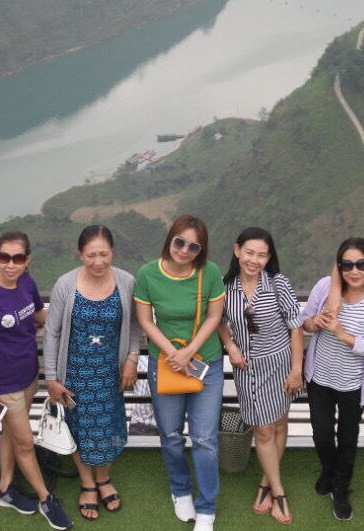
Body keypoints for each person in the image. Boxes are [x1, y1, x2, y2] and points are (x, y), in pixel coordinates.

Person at [0, 232, 73, 529]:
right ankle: (46, 499)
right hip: (4, 385)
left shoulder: (26, 282)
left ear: (27, 260)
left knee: (12, 436)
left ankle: (4, 488)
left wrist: (69, 319)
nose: (10, 264)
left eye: (17, 258)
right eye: (4, 257)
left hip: (29, 375)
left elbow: (38, 315)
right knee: (26, 443)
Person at [134, 214, 226, 531]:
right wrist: (174, 354)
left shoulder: (209, 272)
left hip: (206, 362)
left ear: (202, 250)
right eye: (180, 242)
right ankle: (180, 489)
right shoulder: (148, 273)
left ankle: (207, 508)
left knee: (204, 438)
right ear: (170, 238)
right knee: (171, 435)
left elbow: (215, 317)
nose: (184, 250)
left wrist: (189, 351)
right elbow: (146, 321)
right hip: (167, 364)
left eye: (193, 246)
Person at [44, 225, 142, 521]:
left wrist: (132, 359)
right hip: (75, 373)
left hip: (111, 373)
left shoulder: (126, 281)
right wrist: (51, 378)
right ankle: (87, 483)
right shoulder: (66, 283)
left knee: (109, 426)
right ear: (80, 254)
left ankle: (103, 478)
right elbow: (53, 332)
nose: (98, 261)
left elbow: (135, 325)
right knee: (79, 428)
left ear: (113, 252)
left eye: (104, 254)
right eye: (91, 255)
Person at [300, 237, 364, 521]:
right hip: (320, 378)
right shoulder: (325, 288)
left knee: (348, 438)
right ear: (338, 266)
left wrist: (343, 335)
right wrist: (315, 323)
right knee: (322, 434)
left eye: (362, 264)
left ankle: (341, 488)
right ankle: (328, 469)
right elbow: (304, 321)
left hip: (354, 384)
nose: (355, 271)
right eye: (347, 265)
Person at [216, 227, 304, 525]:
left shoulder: (278, 284)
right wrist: (230, 346)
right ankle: (279, 492)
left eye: (262, 255)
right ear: (237, 250)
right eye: (249, 252)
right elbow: (216, 321)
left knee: (279, 423)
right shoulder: (225, 288)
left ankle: (267, 482)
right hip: (248, 369)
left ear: (269, 257)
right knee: (264, 430)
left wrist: (296, 370)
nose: (254, 259)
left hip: (281, 365)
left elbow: (296, 325)